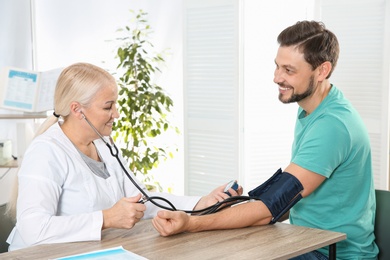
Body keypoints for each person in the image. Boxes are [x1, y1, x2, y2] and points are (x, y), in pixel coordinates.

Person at [152, 21, 378, 259]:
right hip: (306, 240)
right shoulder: (313, 109)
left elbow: (275, 204)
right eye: (277, 67)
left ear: (322, 71)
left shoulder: (332, 126)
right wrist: (237, 207)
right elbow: (284, 199)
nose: (276, 78)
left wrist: (191, 223)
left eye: (289, 70)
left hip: (332, 252)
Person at [5, 62, 243, 251]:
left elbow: (140, 199)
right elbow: (33, 228)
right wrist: (106, 218)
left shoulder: (104, 143)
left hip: (92, 251)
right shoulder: (46, 151)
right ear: (77, 110)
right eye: (108, 107)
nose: (116, 114)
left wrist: (201, 202)